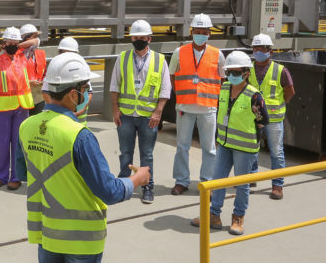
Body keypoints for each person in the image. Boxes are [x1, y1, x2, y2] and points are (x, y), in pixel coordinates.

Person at [19, 53, 150, 262]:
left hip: (46, 234)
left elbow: (24, 173)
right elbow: (108, 191)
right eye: (84, 89)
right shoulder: (80, 136)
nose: (87, 94)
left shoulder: (27, 126)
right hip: (80, 241)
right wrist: (137, 179)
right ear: (72, 94)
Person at [191, 51, 268, 235]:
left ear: (246, 73)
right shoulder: (224, 89)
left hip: (245, 148)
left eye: (236, 72)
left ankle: (238, 217)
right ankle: (213, 215)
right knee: (217, 180)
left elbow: (263, 120)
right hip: (224, 144)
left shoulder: (254, 96)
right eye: (229, 72)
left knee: (242, 184)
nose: (232, 76)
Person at [109, 20, 171, 204]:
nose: (138, 40)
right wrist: (115, 110)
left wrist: (158, 112)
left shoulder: (159, 60)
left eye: (141, 38)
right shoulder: (123, 57)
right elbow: (114, 85)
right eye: (135, 37)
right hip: (126, 115)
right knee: (125, 153)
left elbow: (165, 89)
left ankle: (147, 187)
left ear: (149, 39)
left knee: (147, 154)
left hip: (148, 117)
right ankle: (123, 184)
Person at [169, 13, 226, 195]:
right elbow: (171, 75)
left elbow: (223, 80)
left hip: (208, 108)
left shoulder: (218, 55)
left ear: (210, 34)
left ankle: (207, 182)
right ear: (192, 32)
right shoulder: (179, 52)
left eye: (204, 32)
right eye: (197, 31)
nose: (200, 34)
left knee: (209, 148)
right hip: (185, 107)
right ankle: (181, 180)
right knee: (182, 146)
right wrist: (179, 94)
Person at [0, 27, 34, 190]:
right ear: (3, 43)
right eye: (8, 42)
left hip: (22, 106)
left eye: (15, 42)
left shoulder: (24, 55)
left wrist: (19, 45)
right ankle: (1, 176)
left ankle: (16, 177)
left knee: (18, 143)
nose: (12, 45)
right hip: (2, 108)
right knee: (2, 143)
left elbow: (36, 41)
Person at [248, 33, 295, 199]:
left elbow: (290, 91)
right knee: (251, 149)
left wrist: (280, 104)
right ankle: (252, 177)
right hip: (253, 118)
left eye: (262, 48)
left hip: (274, 119)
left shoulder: (281, 70)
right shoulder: (248, 68)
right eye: (256, 48)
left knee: (276, 151)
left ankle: (277, 185)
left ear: (270, 51)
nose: (258, 51)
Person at [42, 37, 92, 124]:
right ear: (59, 53)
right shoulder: (55, 67)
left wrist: (81, 110)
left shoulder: (82, 66)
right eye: (64, 53)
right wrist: (59, 111)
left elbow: (89, 92)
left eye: (70, 53)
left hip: (79, 116)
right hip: (58, 116)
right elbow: (45, 91)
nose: (68, 56)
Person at [19, 24, 47, 116]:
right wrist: (28, 82)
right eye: (34, 36)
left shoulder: (40, 53)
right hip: (23, 95)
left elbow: (44, 71)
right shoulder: (17, 54)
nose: (37, 39)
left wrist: (44, 80)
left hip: (39, 95)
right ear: (26, 39)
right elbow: (13, 76)